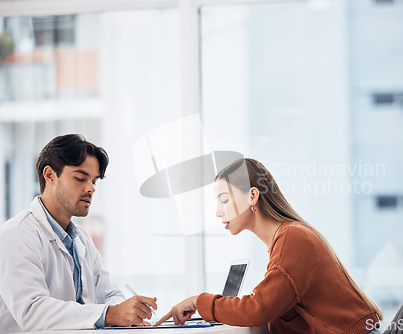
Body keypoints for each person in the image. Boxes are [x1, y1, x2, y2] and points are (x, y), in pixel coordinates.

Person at [155, 158, 383, 334]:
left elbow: (258, 309)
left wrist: (200, 301)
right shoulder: (286, 238)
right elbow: (269, 308)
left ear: (252, 196)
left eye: (224, 200)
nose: (217, 211)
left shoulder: (292, 238)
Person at [0, 134, 157, 333]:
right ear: (49, 175)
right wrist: (110, 314)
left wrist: (126, 313)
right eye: (81, 178)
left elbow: (110, 294)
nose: (91, 188)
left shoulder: (81, 239)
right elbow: (32, 311)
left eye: (94, 181)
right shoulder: (16, 235)